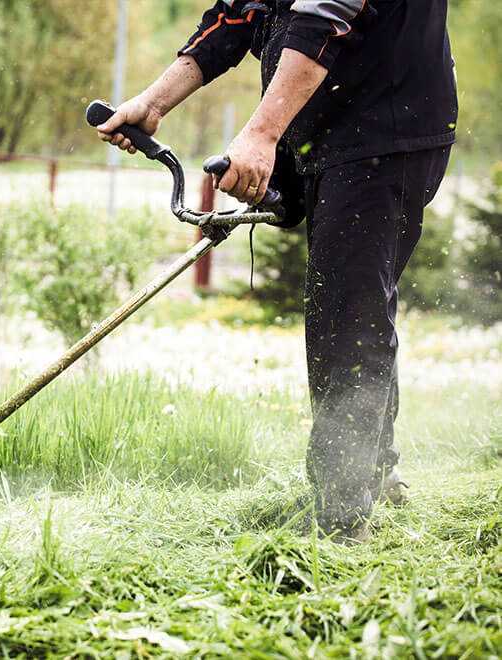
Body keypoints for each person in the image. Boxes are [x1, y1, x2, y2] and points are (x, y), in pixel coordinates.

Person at [95, 0, 458, 542]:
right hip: (330, 123)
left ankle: (342, 514)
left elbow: (325, 14)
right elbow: (241, 13)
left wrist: (262, 135)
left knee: (347, 313)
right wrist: (153, 102)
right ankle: (375, 473)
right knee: (354, 303)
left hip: (387, 122)